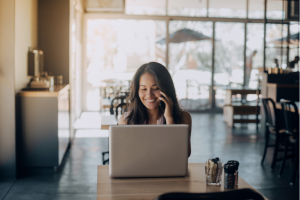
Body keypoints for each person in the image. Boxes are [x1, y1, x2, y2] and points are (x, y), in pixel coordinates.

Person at [117, 62, 192, 157]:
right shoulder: (125, 121)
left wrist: (169, 119)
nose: (149, 95)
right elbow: (121, 156)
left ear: (166, 89)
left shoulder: (184, 118)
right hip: (136, 172)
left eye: (155, 88)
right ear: (137, 91)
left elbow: (183, 155)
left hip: (169, 172)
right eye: (143, 89)